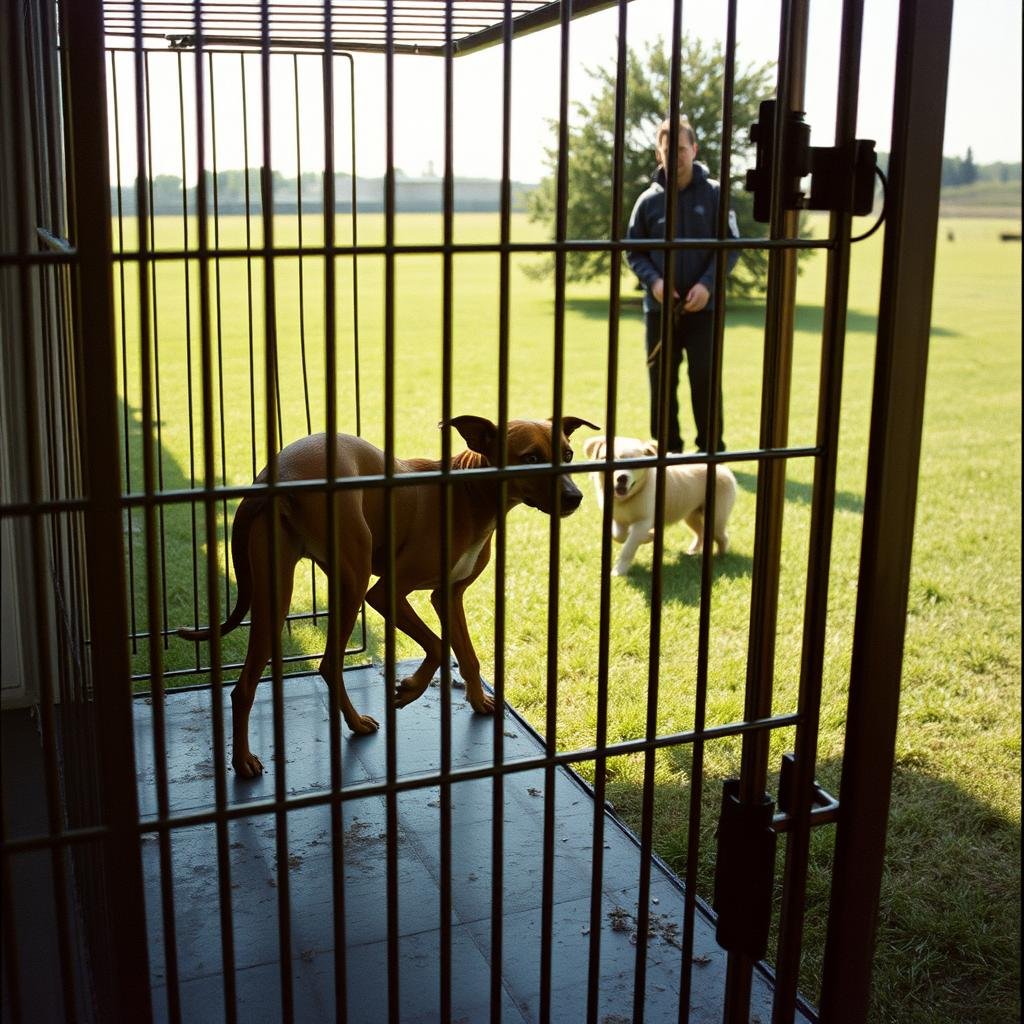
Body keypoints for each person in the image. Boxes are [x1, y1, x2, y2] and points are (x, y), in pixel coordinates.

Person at [626, 116, 739, 454]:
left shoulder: (716, 194)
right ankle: (666, 452)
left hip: (705, 308)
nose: (674, 157)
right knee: (661, 384)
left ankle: (710, 453)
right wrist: (655, 281)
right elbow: (633, 251)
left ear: (694, 149)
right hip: (660, 310)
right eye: (666, 150)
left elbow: (731, 246)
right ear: (658, 154)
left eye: (680, 149)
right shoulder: (647, 201)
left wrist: (706, 285)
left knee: (705, 381)